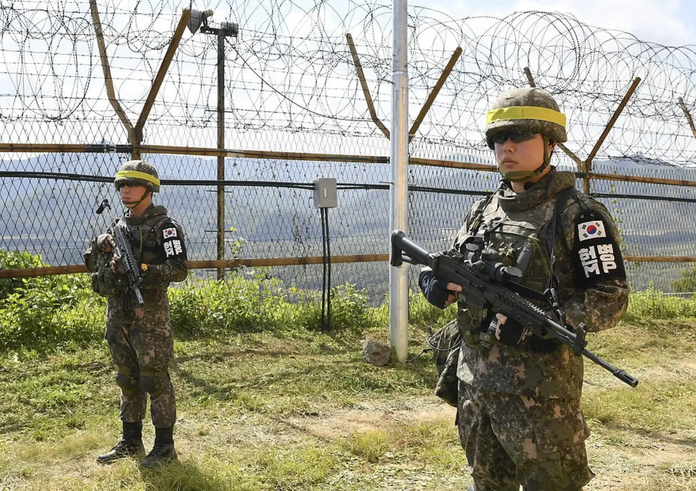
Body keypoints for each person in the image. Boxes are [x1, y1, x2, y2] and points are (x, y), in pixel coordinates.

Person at [418, 87, 629, 491]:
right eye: (499, 139)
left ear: (550, 143)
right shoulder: (487, 208)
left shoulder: (578, 214)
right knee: (486, 483)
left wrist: (543, 323)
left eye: (520, 137)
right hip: (476, 384)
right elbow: (455, 258)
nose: (506, 147)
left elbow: (610, 298)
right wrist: (433, 278)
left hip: (540, 398)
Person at [84, 159, 188, 468]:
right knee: (126, 379)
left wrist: (144, 268)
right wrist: (100, 244)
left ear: (149, 189)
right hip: (118, 314)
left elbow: (179, 269)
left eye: (132, 185)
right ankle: (130, 441)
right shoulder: (117, 225)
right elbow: (92, 263)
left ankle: (165, 447)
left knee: (153, 381)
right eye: (121, 186)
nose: (125, 190)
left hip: (150, 317)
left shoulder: (165, 228)